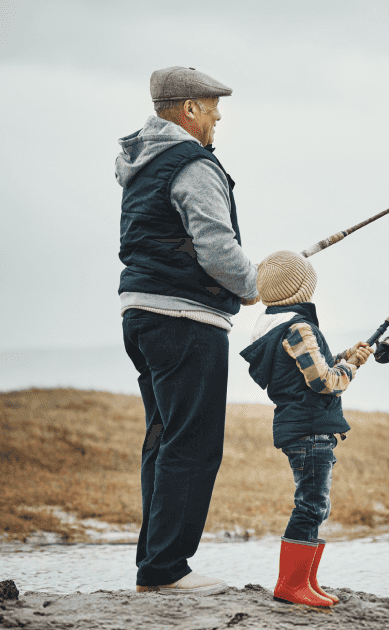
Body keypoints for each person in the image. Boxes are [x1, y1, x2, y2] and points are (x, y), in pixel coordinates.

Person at [116, 66, 258, 595]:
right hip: (185, 319)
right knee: (193, 444)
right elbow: (217, 247)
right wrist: (251, 284)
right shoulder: (193, 164)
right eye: (212, 105)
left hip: (141, 315)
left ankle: (154, 567)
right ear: (189, 110)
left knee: (163, 440)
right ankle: (167, 570)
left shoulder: (142, 162)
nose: (219, 115)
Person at [240, 250, 373, 607]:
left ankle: (306, 581)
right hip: (310, 428)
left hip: (300, 427)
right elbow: (324, 381)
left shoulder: (276, 326)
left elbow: (303, 369)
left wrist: (346, 354)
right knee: (311, 505)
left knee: (315, 505)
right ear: (302, 289)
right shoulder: (299, 327)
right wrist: (351, 368)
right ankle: (291, 586)